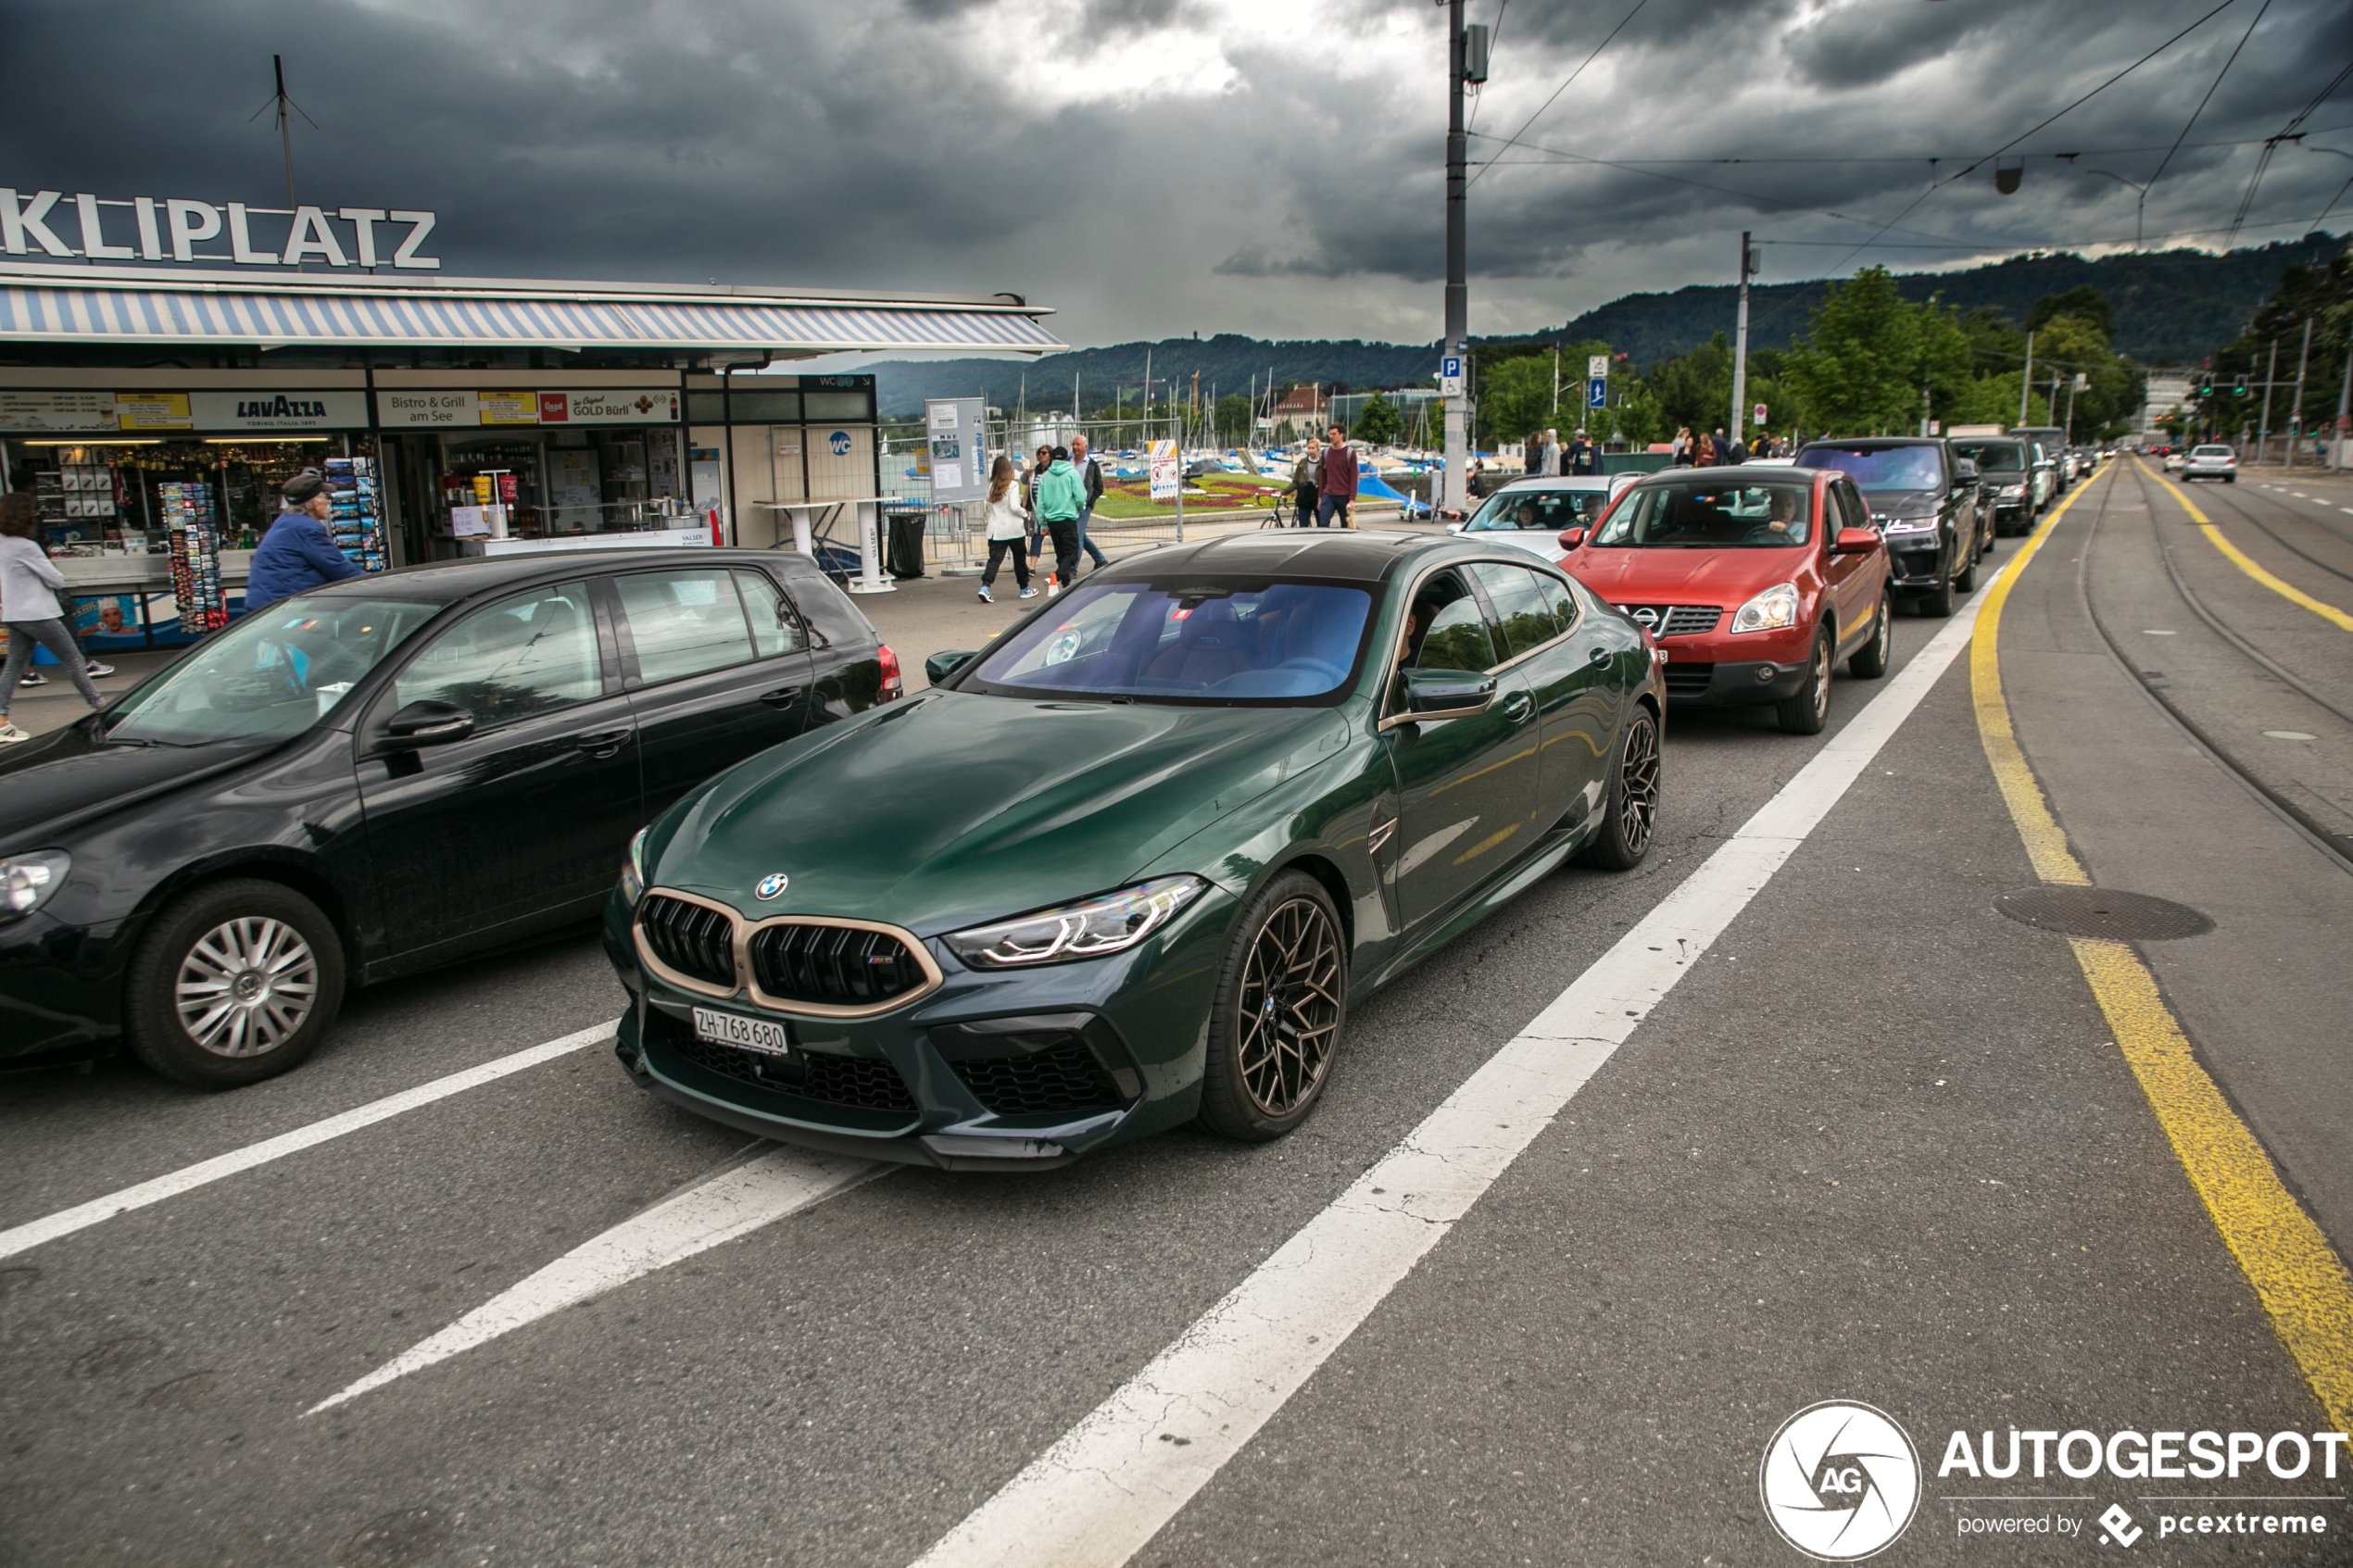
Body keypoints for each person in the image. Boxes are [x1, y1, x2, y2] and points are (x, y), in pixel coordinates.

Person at [0, 492, 106, 742]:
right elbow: (56, 580)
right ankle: (101, 706)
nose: (35, 517)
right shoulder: (27, 547)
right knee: (74, 660)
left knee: (14, 666)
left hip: (14, 613)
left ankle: (2, 719)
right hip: (38, 613)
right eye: (33, 512)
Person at [244, 469, 364, 611]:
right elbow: (338, 567)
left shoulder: (287, 521)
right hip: (284, 607)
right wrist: (376, 582)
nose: (327, 502)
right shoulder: (307, 528)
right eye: (324, 497)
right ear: (314, 502)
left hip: (268, 603)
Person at [975, 455, 1036, 604]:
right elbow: (1014, 507)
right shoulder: (1012, 485)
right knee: (1019, 558)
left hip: (996, 529)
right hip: (1013, 528)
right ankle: (1024, 587)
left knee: (995, 559)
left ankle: (985, 586)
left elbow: (989, 507)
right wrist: (1025, 514)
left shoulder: (989, 486)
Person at [1033, 445, 1087, 587]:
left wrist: (1043, 523)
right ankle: (1055, 578)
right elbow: (1081, 497)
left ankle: (1066, 584)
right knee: (1072, 553)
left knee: (1061, 555)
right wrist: (1081, 508)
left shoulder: (1045, 476)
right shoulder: (1072, 473)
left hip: (1052, 520)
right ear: (1066, 458)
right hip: (1068, 518)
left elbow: (1040, 503)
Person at [1069, 434, 1109, 569]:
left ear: (1085, 447)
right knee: (1081, 535)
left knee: (1077, 536)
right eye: (1073, 444)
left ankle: (1072, 568)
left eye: (1078, 444)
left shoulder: (1092, 465)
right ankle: (1100, 559)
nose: (1075, 447)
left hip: (1084, 506)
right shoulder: (1068, 463)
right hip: (1069, 506)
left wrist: (1090, 501)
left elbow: (1099, 487)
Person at [1315, 424, 1358, 527]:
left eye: (1334, 434)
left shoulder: (1350, 453)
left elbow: (1354, 477)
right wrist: (1320, 496)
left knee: (1346, 525)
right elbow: (1323, 476)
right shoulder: (1326, 453)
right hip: (1328, 494)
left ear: (1341, 435)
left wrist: (1352, 499)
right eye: (1330, 434)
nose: (1331, 436)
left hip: (1344, 495)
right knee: (1323, 523)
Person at [1023, 445, 1053, 564]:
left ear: (1050, 455)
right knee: (1037, 535)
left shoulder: (1054, 470)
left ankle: (1065, 565)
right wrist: (1026, 474)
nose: (1041, 455)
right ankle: (1032, 565)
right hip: (1038, 509)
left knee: (1057, 537)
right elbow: (1024, 481)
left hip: (1053, 509)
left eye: (1044, 453)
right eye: (1039, 453)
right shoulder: (1035, 470)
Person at [1290, 437, 1322, 527]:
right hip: (1305, 496)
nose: (1311, 451)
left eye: (1313, 448)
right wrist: (1284, 491)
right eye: (1309, 448)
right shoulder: (1303, 462)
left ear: (1318, 449)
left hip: (1318, 496)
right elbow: (1295, 480)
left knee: (1322, 524)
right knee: (1303, 525)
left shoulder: (1323, 462)